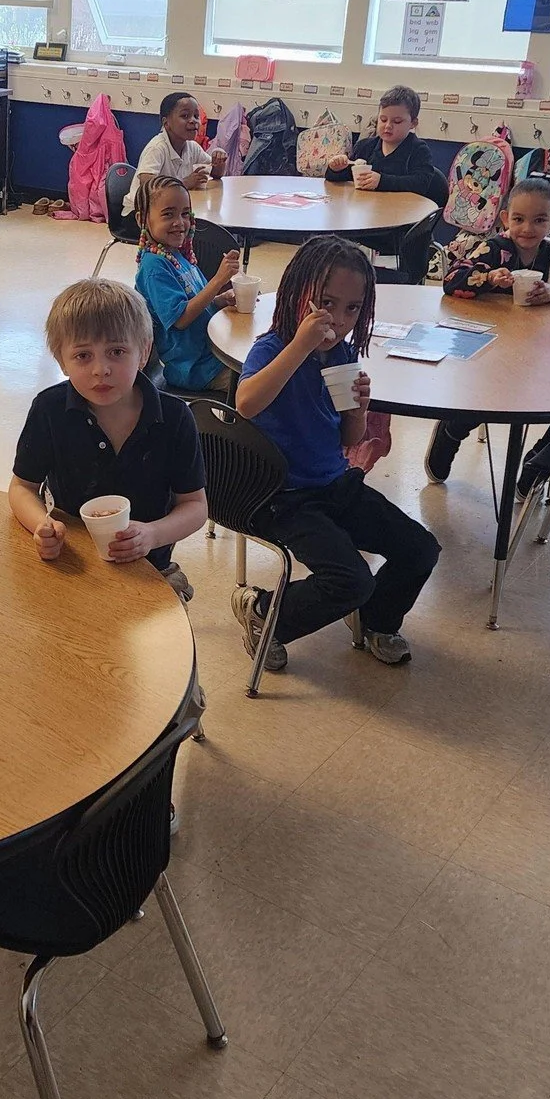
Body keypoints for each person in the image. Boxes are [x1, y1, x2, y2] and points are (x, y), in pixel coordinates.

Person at [234, 234, 440, 669]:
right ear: (297, 292)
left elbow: (349, 438)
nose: (339, 320)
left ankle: (377, 620)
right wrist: (301, 345)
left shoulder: (342, 354)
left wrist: (359, 409)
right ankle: (264, 612)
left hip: (333, 483)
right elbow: (246, 403)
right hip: (282, 498)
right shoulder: (273, 348)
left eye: (352, 309)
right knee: (350, 580)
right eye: (326, 303)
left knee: (420, 548)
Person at [10, 278, 207, 598]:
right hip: (73, 563)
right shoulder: (49, 410)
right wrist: (41, 527)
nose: (101, 369)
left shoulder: (174, 417)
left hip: (149, 566)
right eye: (83, 356)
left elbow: (195, 506)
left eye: (116, 351)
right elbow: (22, 487)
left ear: (143, 351)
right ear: (61, 360)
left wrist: (152, 534)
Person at [427, 177, 550, 484]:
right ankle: (451, 431)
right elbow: (452, 280)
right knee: (484, 394)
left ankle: (541, 458)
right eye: (518, 219)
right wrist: (489, 277)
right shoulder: (494, 249)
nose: (527, 229)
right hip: (491, 351)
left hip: (543, 355)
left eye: (539, 220)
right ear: (505, 218)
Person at [132, 173, 240, 392]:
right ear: (141, 219)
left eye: (184, 214)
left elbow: (197, 302)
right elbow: (181, 319)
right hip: (194, 368)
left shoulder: (175, 255)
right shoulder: (154, 267)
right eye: (168, 214)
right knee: (263, 383)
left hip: (211, 352)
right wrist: (218, 280)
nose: (179, 223)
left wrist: (219, 300)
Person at [323, 84, 448, 207]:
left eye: (397, 121)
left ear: (413, 123)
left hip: (402, 217)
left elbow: (420, 184)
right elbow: (345, 179)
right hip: (367, 213)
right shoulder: (365, 147)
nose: (388, 126)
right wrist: (335, 169)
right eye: (383, 119)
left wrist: (381, 181)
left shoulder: (418, 150)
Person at [122, 91, 226, 220]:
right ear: (166, 123)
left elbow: (216, 173)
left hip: (168, 211)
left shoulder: (192, 146)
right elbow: (147, 184)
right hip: (141, 214)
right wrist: (184, 183)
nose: (193, 121)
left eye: (196, 116)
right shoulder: (157, 148)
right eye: (185, 116)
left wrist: (219, 160)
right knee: (193, 229)